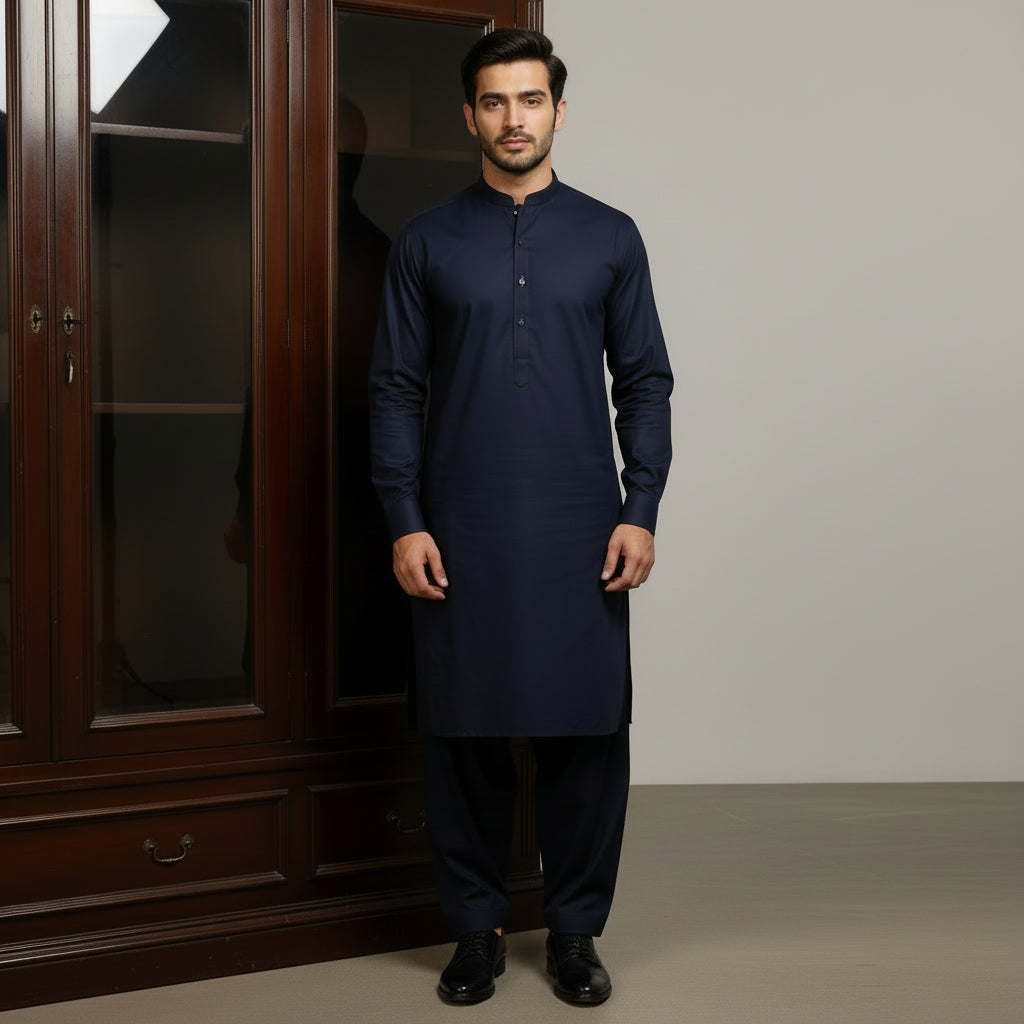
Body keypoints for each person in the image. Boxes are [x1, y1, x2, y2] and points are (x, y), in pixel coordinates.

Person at [368, 28, 672, 1007]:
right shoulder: (426, 238)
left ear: (559, 111)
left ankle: (576, 930)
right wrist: (405, 516)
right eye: (494, 102)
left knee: (587, 737)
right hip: (459, 525)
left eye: (530, 100)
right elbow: (392, 386)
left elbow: (646, 381)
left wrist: (640, 506)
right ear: (470, 115)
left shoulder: (609, 235)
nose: (513, 119)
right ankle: (475, 929)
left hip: (583, 526)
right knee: (463, 735)